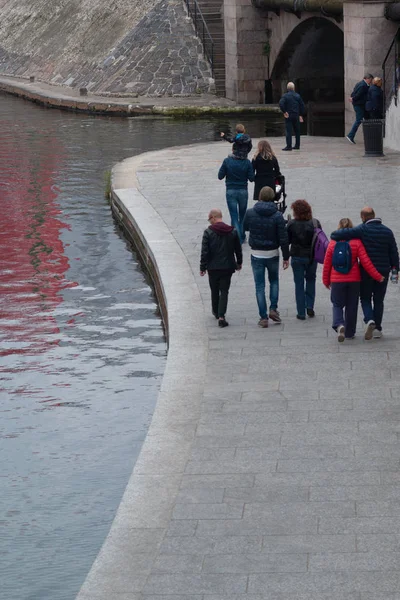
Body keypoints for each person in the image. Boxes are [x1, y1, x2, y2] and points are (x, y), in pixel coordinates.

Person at [331, 207, 399, 339]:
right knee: (379, 300)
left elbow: (336, 235)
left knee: (365, 298)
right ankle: (377, 328)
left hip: (366, 270)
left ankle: (369, 319)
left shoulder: (362, 229)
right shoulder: (388, 231)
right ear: (374, 215)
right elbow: (394, 252)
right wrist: (396, 269)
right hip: (384, 270)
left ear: (362, 217)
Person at [323, 218, 384, 342]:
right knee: (352, 306)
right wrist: (378, 276)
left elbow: (327, 264)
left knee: (337, 304)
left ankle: (339, 325)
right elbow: (366, 262)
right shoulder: (356, 242)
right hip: (354, 280)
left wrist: (326, 281)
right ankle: (350, 333)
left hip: (337, 280)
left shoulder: (332, 243)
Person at [243, 186, 289, 327]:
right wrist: (286, 256)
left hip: (257, 253)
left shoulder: (251, 213)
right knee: (274, 281)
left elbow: (245, 227)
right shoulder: (277, 215)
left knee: (259, 286)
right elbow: (283, 238)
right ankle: (273, 308)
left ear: (260, 196)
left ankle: (263, 317)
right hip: (272, 253)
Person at [200, 208, 243, 328]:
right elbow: (237, 249)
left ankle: (215, 311)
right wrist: (239, 262)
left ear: (213, 218)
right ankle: (221, 316)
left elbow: (205, 252)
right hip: (227, 266)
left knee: (214, 290)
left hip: (212, 267)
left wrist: (202, 267)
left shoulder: (208, 233)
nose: (209, 222)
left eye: (209, 219)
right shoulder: (232, 231)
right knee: (224, 291)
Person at [286, 199, 320, 320]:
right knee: (311, 280)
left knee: (299, 284)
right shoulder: (315, 223)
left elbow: (287, 241)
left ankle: (301, 313)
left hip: (297, 257)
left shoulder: (291, 224)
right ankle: (309, 306)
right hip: (311, 257)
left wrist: (286, 257)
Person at [218, 149, 254, 244]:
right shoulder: (247, 162)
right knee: (242, 216)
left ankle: (237, 239)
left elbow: (220, 176)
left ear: (233, 150)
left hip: (230, 190)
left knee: (234, 216)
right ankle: (241, 236)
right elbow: (251, 178)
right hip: (243, 191)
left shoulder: (227, 161)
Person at [346, 73, 373, 144]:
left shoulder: (360, 83)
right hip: (359, 105)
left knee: (367, 118)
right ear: (367, 79)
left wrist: (352, 97)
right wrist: (353, 98)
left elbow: (354, 92)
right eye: (370, 80)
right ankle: (350, 135)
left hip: (360, 105)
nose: (371, 82)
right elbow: (358, 94)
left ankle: (369, 136)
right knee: (359, 120)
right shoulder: (363, 86)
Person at [279, 82, 306, 151]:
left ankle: (289, 146)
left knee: (289, 131)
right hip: (296, 115)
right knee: (297, 131)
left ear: (287, 88)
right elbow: (302, 106)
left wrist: (284, 112)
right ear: (294, 88)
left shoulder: (285, 96)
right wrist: (301, 114)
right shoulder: (298, 96)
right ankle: (297, 145)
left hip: (289, 115)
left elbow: (281, 104)